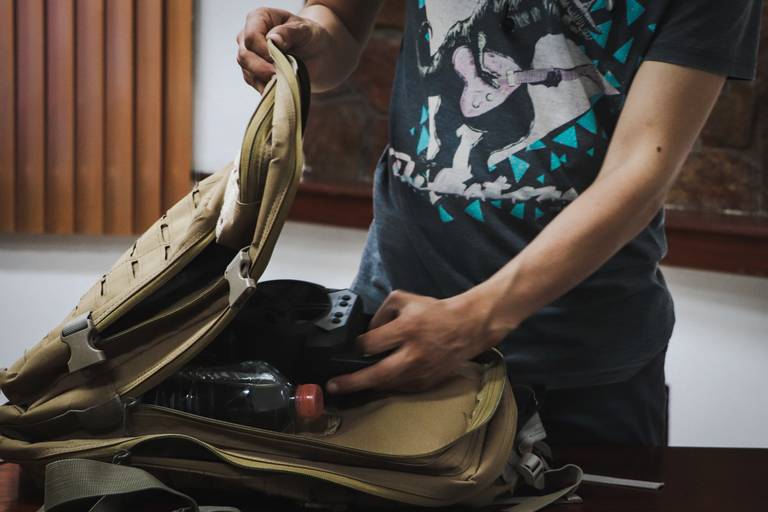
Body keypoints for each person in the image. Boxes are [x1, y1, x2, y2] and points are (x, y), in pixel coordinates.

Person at [237, 0, 761, 446]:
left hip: (581, 365)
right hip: (391, 327)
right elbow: (340, 25)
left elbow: (642, 166)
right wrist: (305, 42)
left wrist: (476, 321)